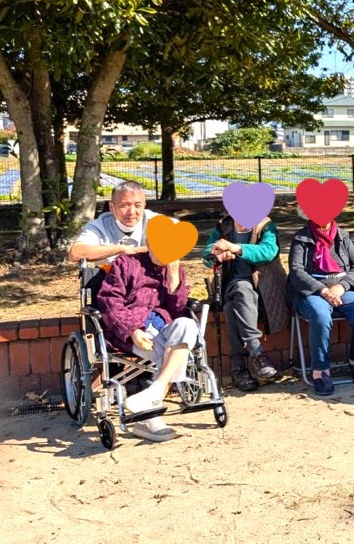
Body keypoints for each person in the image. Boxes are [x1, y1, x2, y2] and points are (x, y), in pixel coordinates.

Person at [97, 251, 197, 442]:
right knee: (171, 354)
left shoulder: (174, 268)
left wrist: (174, 277)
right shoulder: (125, 264)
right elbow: (110, 302)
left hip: (164, 329)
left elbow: (177, 310)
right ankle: (150, 418)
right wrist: (133, 330)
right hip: (132, 332)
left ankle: (154, 393)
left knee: (188, 325)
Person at [287, 210, 354, 396]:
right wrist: (324, 290)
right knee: (320, 315)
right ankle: (320, 370)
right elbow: (296, 271)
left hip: (343, 288)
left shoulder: (343, 236)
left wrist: (342, 286)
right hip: (313, 291)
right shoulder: (301, 238)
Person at [202, 213, 284, 392]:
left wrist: (237, 248)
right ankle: (257, 352)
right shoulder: (224, 226)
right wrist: (216, 254)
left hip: (263, 285)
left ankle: (239, 368)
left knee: (233, 307)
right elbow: (207, 253)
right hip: (232, 284)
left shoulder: (266, 225)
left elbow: (268, 251)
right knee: (241, 289)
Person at [67, 181, 162, 266]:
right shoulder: (98, 226)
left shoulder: (155, 221)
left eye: (138, 206)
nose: (132, 212)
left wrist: (135, 251)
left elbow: (175, 245)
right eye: (124, 206)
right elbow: (76, 254)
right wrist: (121, 249)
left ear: (144, 206)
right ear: (112, 207)